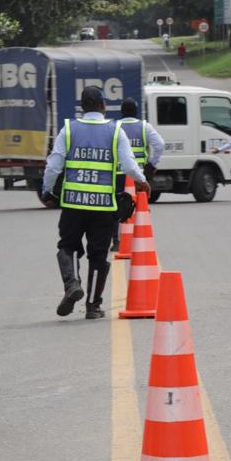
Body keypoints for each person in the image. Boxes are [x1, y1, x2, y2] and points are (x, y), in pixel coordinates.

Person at [42, 86, 150, 320]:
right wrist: (142, 182)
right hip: (104, 207)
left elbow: (54, 165)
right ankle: (93, 305)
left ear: (83, 107)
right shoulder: (115, 131)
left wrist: (46, 190)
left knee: (67, 245)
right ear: (103, 106)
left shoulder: (69, 129)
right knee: (98, 256)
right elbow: (130, 165)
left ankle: (72, 284)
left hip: (73, 204)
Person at [111, 98, 166, 251]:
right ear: (136, 111)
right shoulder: (144, 126)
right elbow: (160, 144)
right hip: (138, 176)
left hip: (118, 174)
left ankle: (117, 242)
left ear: (121, 111)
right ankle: (139, 241)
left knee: (115, 207)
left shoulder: (114, 127)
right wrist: (152, 164)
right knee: (139, 207)